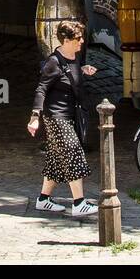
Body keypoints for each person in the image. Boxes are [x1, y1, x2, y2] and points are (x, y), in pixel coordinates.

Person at [27, 20, 98, 217]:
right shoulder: (53, 62)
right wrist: (35, 117)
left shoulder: (74, 57)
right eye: (78, 38)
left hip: (70, 115)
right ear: (66, 40)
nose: (81, 41)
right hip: (57, 117)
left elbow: (70, 76)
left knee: (56, 161)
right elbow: (41, 89)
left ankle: (43, 200)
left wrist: (83, 70)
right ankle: (79, 203)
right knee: (74, 154)